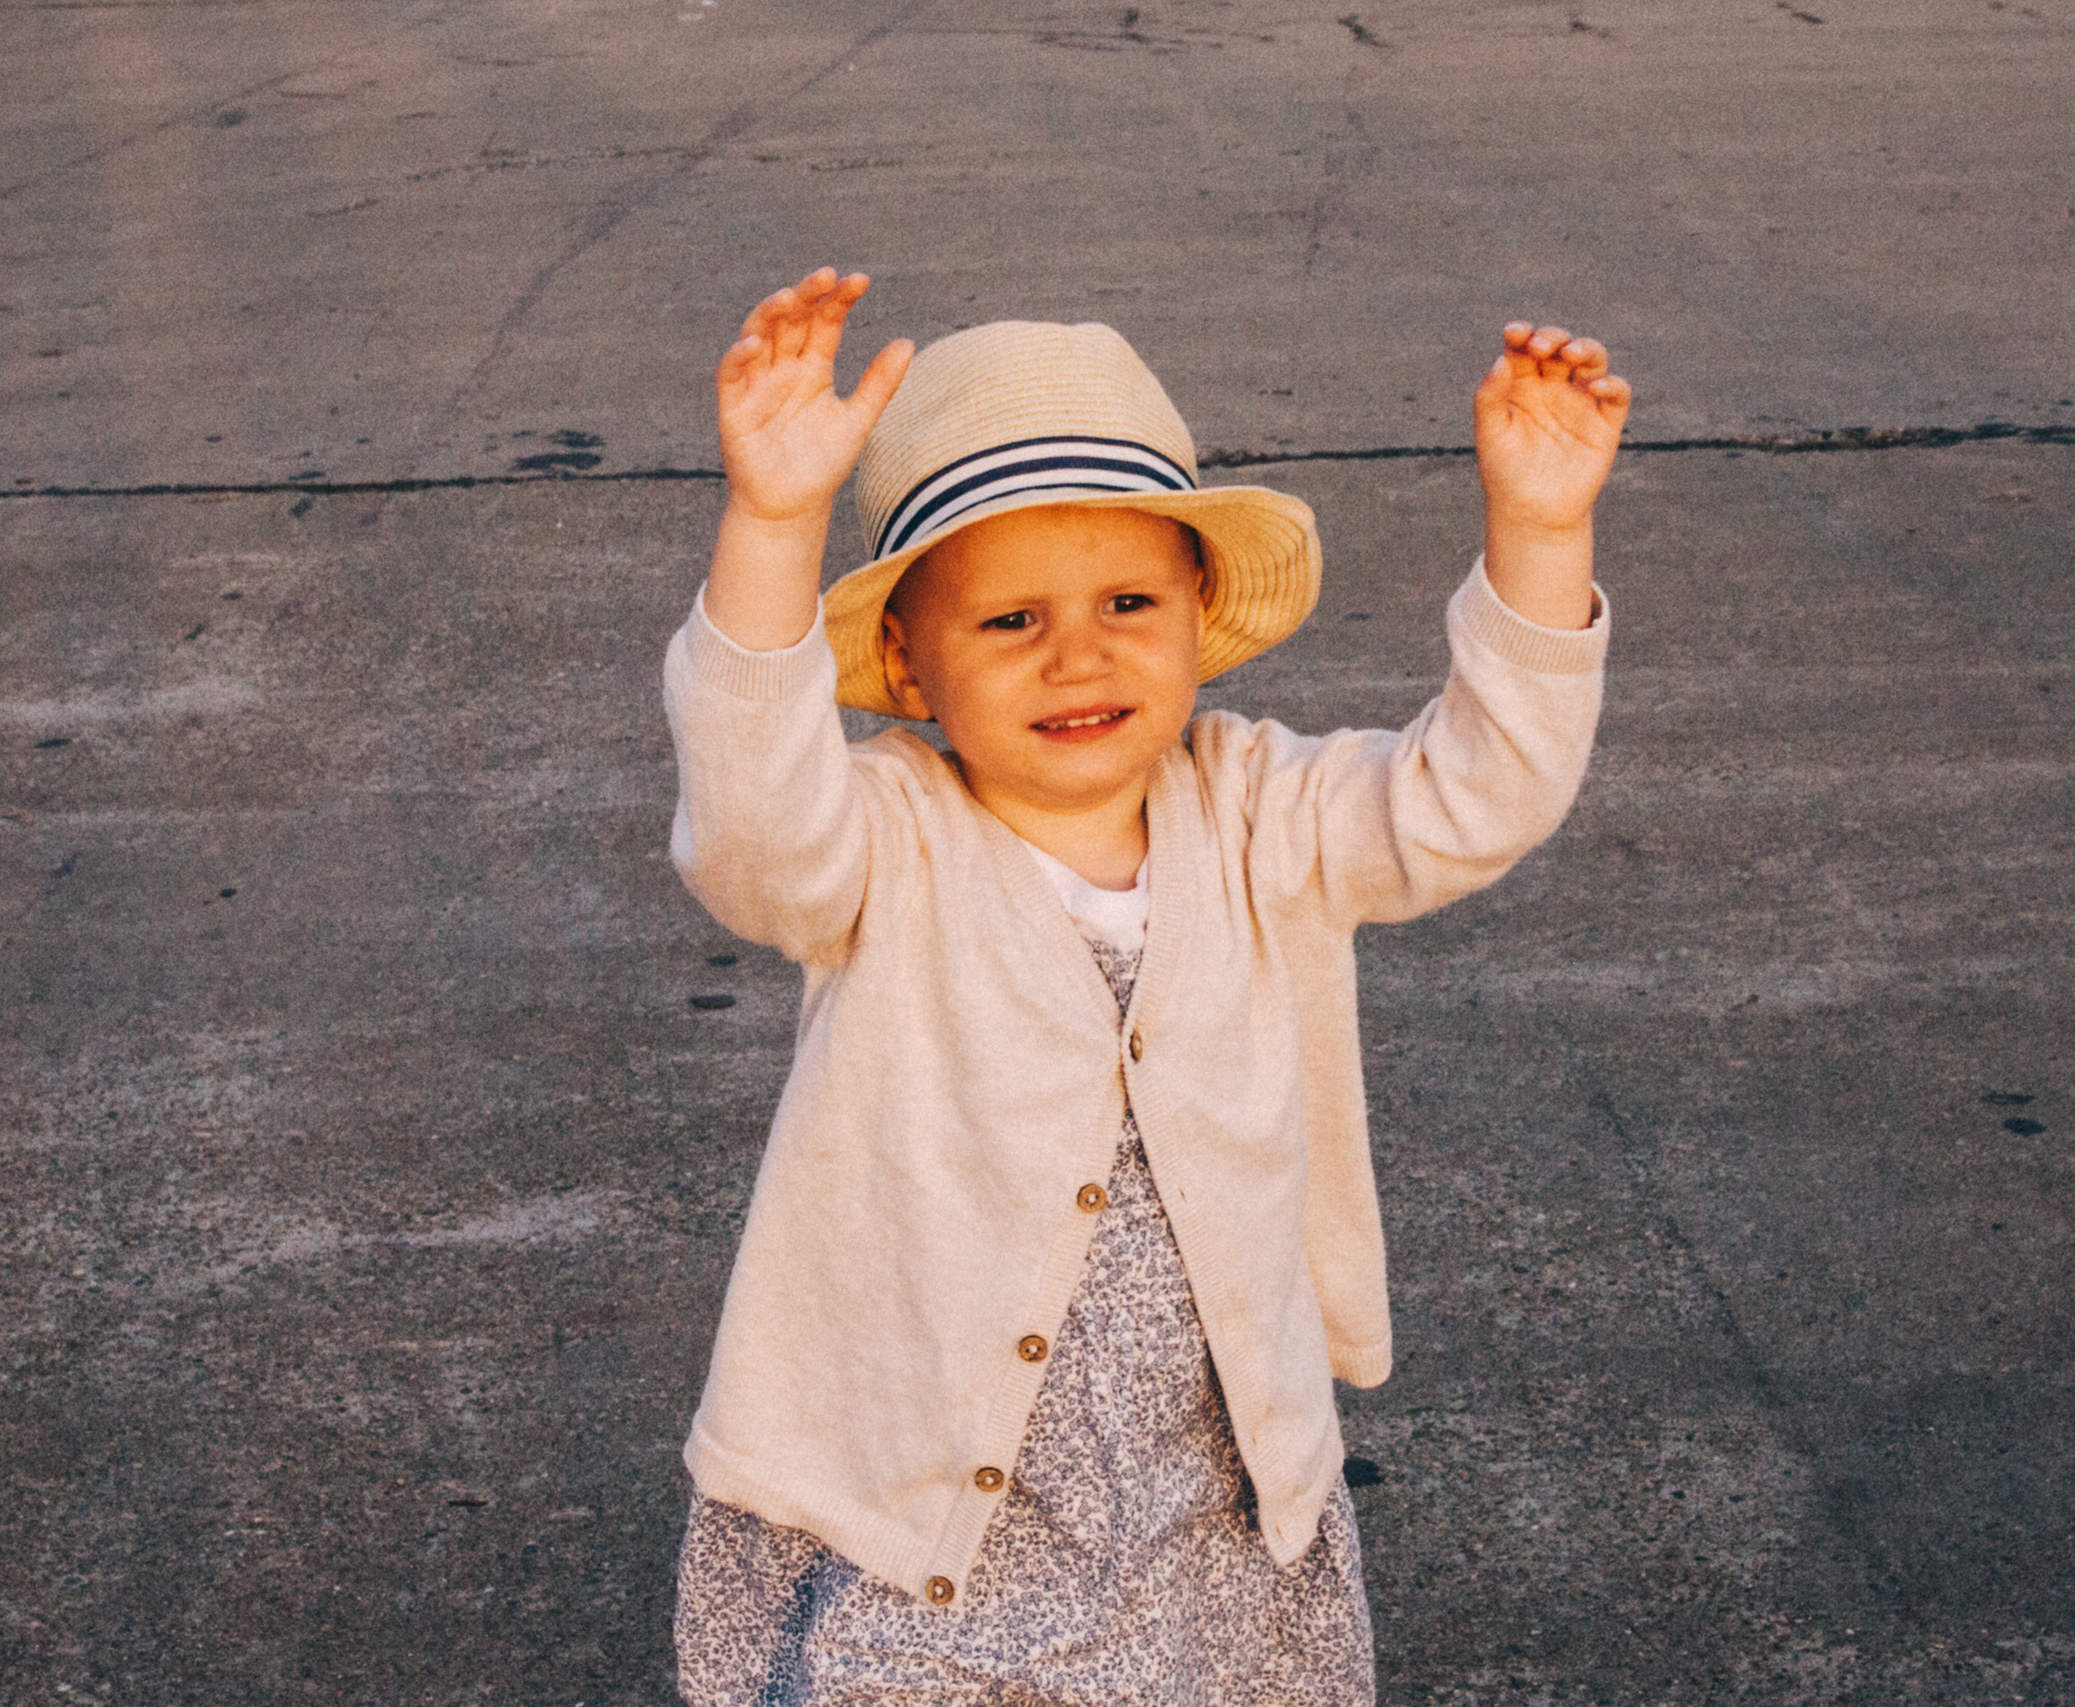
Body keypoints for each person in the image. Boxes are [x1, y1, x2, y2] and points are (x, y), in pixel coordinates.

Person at [661, 266, 1629, 1705]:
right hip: (933, 1506)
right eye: (1007, 623)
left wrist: (1541, 535)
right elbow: (751, 828)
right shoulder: (884, 838)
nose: (1079, 655)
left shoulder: (1261, 811)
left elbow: (1477, 794)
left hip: (1200, 1501)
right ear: (909, 669)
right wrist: (773, 523)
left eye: (1126, 601)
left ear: (1196, 612)